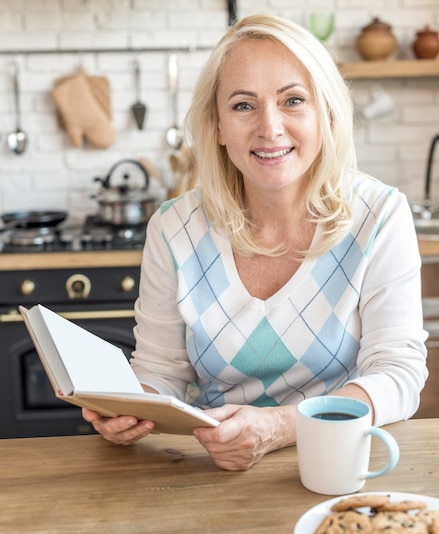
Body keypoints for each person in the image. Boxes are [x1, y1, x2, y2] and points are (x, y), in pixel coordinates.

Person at [83, 14, 428, 471]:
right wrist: (132, 407)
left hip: (336, 464)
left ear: (325, 115)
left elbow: (398, 374)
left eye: (293, 101)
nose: (270, 127)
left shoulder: (379, 216)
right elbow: (160, 371)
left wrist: (283, 426)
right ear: (219, 126)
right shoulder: (173, 228)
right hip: (211, 467)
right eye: (244, 106)